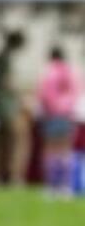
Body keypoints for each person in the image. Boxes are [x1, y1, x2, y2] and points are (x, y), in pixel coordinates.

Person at [35, 45, 81, 198]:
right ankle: (66, 186)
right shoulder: (71, 71)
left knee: (50, 151)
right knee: (66, 151)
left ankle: (52, 185)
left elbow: (44, 94)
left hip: (53, 114)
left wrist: (50, 108)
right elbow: (76, 92)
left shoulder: (49, 71)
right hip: (68, 115)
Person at [0, 29, 29, 186]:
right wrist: (23, 96)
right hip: (7, 107)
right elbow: (8, 82)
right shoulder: (5, 59)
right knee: (18, 141)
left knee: (0, 142)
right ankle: (14, 176)